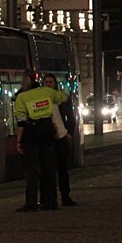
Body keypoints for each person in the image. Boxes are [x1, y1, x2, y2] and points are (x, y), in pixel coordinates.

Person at [13, 69, 66, 212]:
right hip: (47, 131)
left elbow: (21, 122)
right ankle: (52, 201)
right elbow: (63, 97)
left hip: (31, 133)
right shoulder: (47, 92)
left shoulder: (21, 97)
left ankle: (31, 203)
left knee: (32, 170)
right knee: (49, 168)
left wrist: (18, 142)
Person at [43, 73, 77, 206]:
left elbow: (70, 117)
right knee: (48, 170)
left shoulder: (63, 98)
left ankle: (65, 196)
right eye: (46, 82)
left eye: (50, 82)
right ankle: (49, 198)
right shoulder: (41, 99)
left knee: (63, 169)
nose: (48, 84)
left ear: (55, 84)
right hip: (48, 138)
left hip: (62, 138)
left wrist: (69, 133)